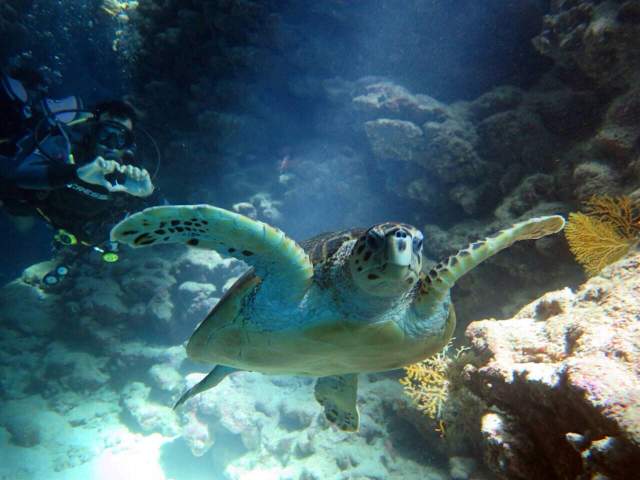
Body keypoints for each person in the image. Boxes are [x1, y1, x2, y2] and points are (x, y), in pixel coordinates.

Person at [0, 69, 157, 252]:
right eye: (106, 134)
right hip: (39, 209)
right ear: (92, 131)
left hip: (81, 229)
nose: (111, 145)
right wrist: (77, 173)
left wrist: (146, 193)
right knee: (18, 217)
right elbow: (24, 175)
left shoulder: (130, 167)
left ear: (129, 143)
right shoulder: (66, 142)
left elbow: (162, 208)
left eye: (121, 138)